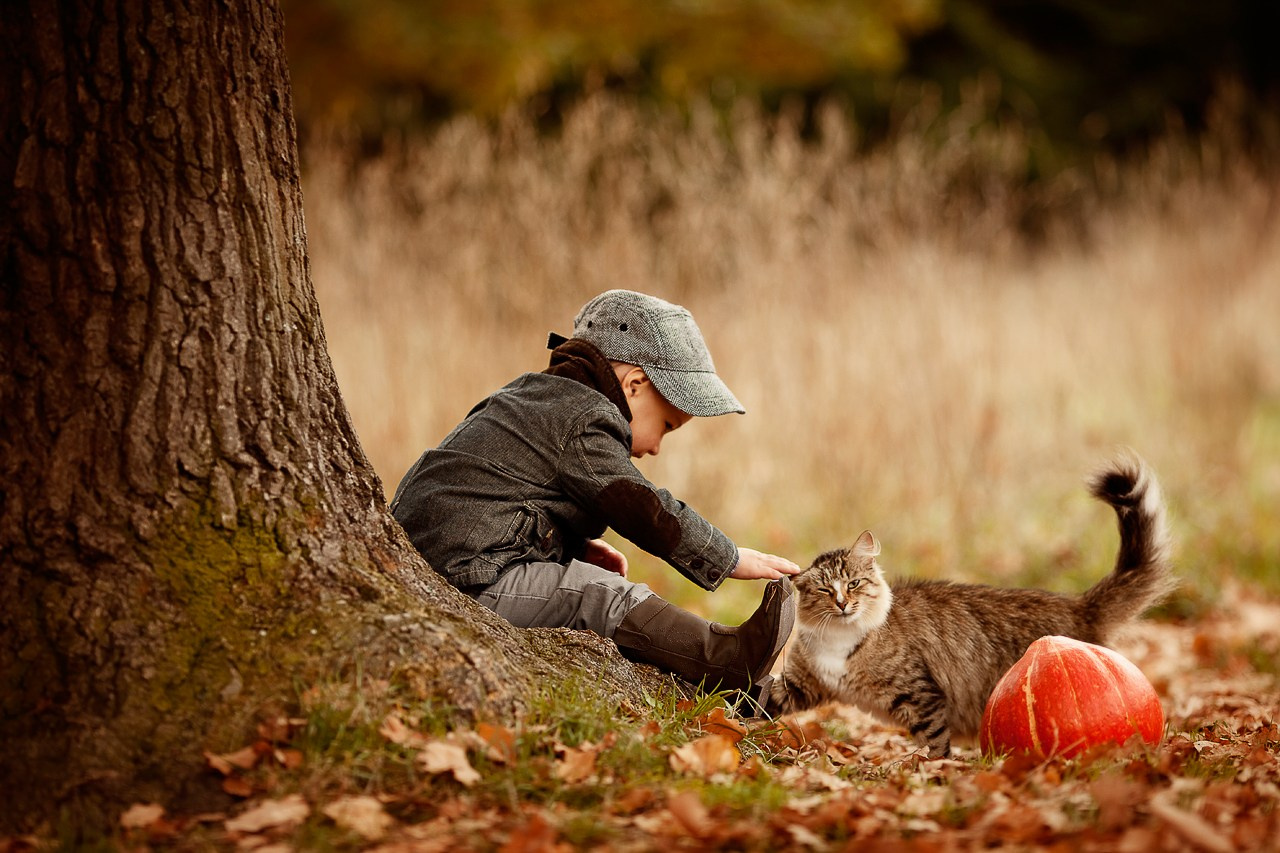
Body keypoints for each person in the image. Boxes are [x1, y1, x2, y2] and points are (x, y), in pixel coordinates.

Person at [391, 290, 800, 699]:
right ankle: (728, 660)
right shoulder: (585, 420)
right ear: (635, 385)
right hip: (466, 584)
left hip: (447, 566)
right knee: (598, 595)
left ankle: (743, 696)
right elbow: (639, 506)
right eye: (666, 426)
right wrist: (727, 556)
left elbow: (499, 495)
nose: (656, 448)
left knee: (587, 585)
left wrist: (571, 546)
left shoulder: (535, 398)